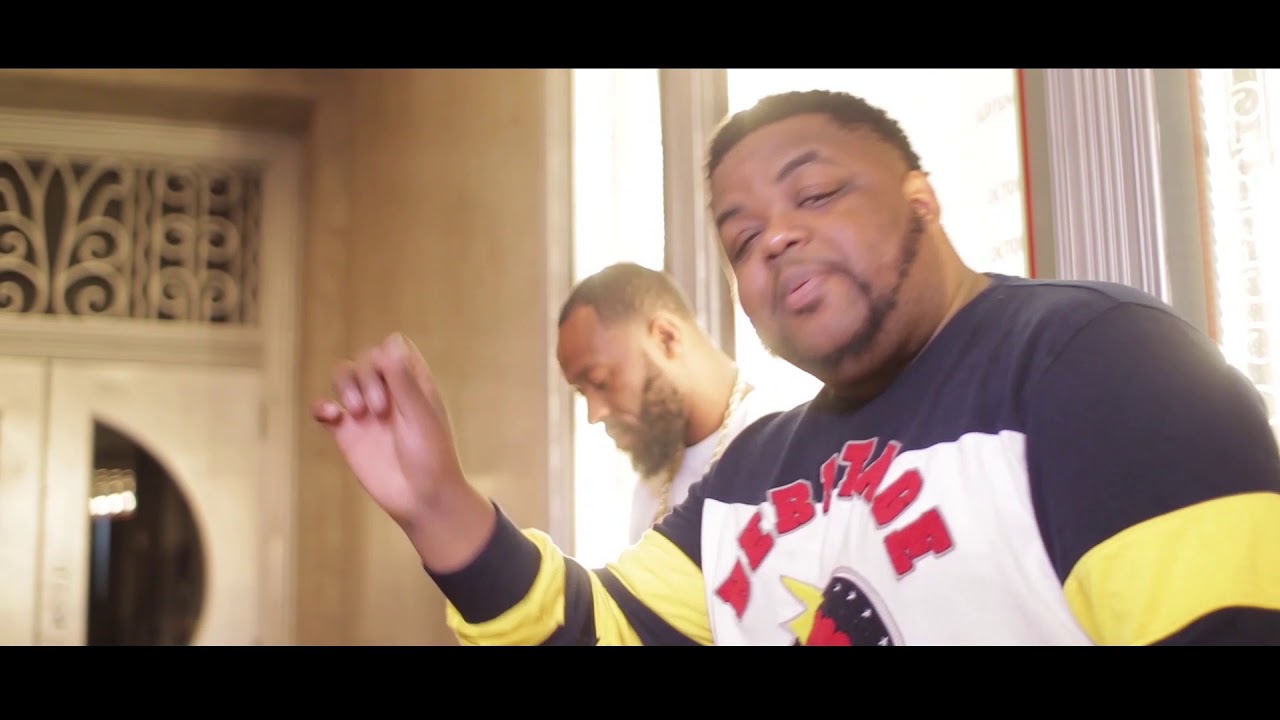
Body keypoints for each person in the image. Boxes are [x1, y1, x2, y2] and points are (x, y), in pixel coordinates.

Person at [313, 89, 1280, 645]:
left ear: (922, 197)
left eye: (814, 193)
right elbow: (597, 628)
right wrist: (438, 505)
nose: (774, 237)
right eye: (741, 238)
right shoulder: (752, 477)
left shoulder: (1102, 365)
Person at [556, 262, 782, 543]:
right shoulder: (650, 489)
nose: (594, 413)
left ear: (666, 338)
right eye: (582, 393)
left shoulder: (782, 444)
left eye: (601, 382)